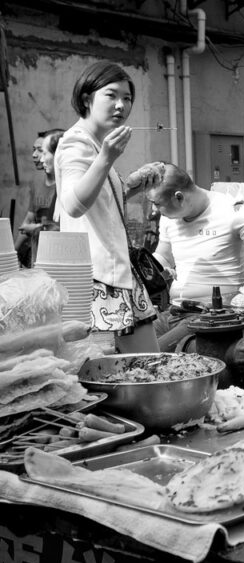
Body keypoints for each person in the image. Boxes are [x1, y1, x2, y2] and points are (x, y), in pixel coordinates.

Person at [126, 161, 244, 350]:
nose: (154, 210)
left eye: (157, 204)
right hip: (174, 311)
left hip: (214, 316)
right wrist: (141, 270)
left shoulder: (231, 210)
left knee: (151, 355)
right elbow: (164, 257)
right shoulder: (169, 218)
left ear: (179, 198)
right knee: (125, 345)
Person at [55, 60, 159, 353]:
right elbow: (74, 204)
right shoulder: (75, 143)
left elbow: (99, 205)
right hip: (99, 277)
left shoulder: (94, 143)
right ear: (87, 98)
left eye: (127, 99)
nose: (121, 106)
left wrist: (134, 187)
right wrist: (106, 158)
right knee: (122, 372)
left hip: (115, 270)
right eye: (111, 95)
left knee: (144, 367)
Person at [15, 129, 62, 266]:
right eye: (33, 150)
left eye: (41, 151)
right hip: (37, 253)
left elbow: (63, 229)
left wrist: (35, 228)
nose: (36, 156)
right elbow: (27, 221)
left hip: (57, 254)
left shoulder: (64, 187)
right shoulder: (36, 183)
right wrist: (13, 253)